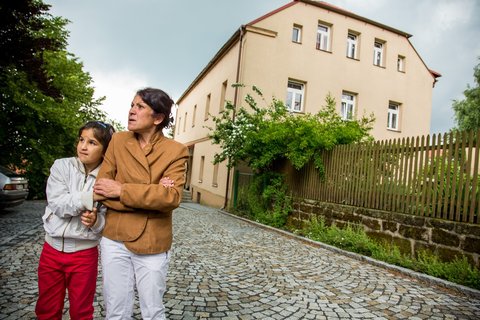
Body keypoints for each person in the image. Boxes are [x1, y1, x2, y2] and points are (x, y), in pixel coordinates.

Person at [93, 87, 189, 319]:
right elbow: (101, 189)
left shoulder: (176, 151)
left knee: (153, 311)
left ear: (158, 118)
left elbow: (171, 198)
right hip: (114, 238)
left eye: (140, 107)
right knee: (115, 309)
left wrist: (122, 189)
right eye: (132, 105)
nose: (131, 111)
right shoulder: (118, 140)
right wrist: (151, 195)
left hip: (152, 242)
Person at [35, 120, 115, 320]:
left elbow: (108, 223)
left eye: (92, 142)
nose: (83, 146)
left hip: (84, 255)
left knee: (81, 311)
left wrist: (95, 221)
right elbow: (58, 204)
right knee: (47, 308)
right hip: (51, 249)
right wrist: (91, 197)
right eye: (81, 140)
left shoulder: (108, 179)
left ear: (105, 150)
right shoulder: (62, 166)